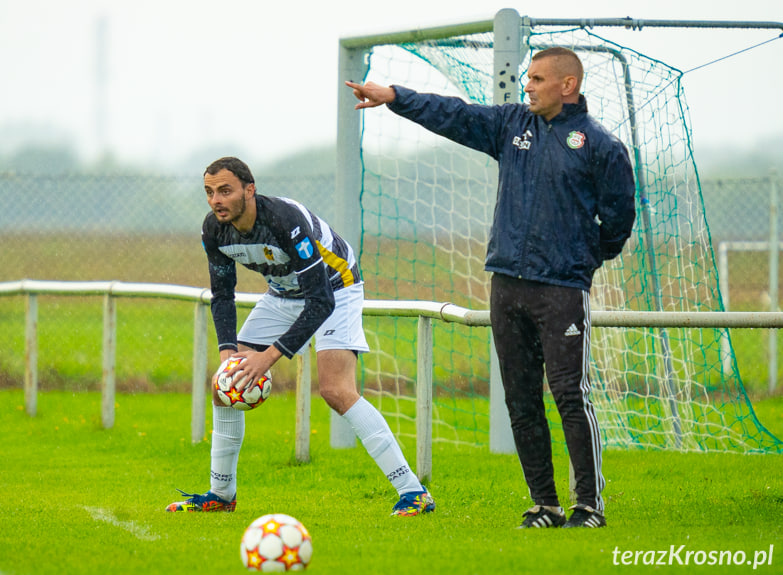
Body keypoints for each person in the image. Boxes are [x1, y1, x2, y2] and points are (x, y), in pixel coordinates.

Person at [346, 47, 635, 529]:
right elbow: (454, 115)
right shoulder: (510, 126)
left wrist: (581, 260)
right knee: (520, 399)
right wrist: (395, 96)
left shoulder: (600, 146)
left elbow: (619, 220)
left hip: (561, 288)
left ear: (568, 85)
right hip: (506, 285)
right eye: (528, 79)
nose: (529, 86)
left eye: (539, 79)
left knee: (568, 394)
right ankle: (545, 504)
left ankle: (589, 505)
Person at [166, 156, 435, 517]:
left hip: (336, 288)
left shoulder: (282, 220)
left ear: (250, 190)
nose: (217, 200)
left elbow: (320, 299)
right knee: (223, 383)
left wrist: (268, 357)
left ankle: (414, 492)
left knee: (336, 390)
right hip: (283, 294)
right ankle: (221, 495)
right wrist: (229, 352)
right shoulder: (214, 230)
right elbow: (223, 295)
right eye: (210, 192)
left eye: (225, 191)